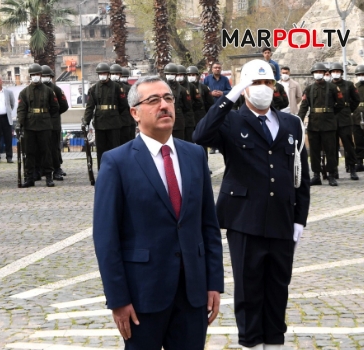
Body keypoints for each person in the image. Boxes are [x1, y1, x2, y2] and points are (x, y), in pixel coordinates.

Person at [93, 75, 224, 349]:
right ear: (134, 113)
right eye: (153, 100)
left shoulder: (195, 155)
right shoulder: (116, 162)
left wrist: (214, 282)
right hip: (143, 297)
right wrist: (118, 300)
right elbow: (106, 238)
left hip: (192, 294)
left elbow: (208, 226)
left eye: (168, 99)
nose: (164, 106)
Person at [193, 59, 311, 350]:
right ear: (245, 88)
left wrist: (299, 220)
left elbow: (301, 174)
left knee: (278, 287)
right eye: (256, 83)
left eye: (268, 83)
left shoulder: (291, 122)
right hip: (245, 219)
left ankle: (274, 343)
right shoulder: (232, 120)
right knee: (249, 289)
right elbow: (200, 135)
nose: (263, 89)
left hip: (282, 218)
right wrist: (230, 97)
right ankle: (251, 343)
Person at [298, 63, 345, 186]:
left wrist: (330, 112)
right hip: (314, 124)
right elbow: (303, 107)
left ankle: (331, 175)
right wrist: (298, 120)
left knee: (330, 150)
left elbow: (340, 103)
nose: (318, 74)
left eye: (320, 71)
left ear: (324, 73)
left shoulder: (333, 88)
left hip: (329, 124)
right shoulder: (309, 89)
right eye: (316, 72)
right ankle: (316, 175)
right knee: (314, 151)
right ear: (313, 74)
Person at [16, 63, 60, 187]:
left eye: (37, 74)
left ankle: (48, 177)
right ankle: (29, 177)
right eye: (33, 75)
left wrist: (47, 118)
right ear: (30, 76)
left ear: (41, 75)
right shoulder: (24, 92)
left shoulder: (49, 91)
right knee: (29, 152)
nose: (35, 77)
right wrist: (20, 123)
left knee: (46, 151)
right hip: (30, 125)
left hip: (44, 125)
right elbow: (21, 109)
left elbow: (55, 107)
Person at [82, 63, 127, 168]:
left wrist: (115, 114)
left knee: (115, 148)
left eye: (104, 73)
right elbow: (90, 107)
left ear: (108, 74)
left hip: (114, 123)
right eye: (100, 73)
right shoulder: (94, 89)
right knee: (101, 150)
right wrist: (86, 121)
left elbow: (123, 105)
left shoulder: (117, 87)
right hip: (100, 123)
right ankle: (102, 170)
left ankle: (116, 169)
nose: (102, 75)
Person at [329, 62, 360, 179]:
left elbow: (356, 100)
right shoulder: (328, 86)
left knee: (348, 144)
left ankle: (352, 168)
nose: (336, 74)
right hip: (332, 118)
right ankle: (334, 170)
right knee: (332, 146)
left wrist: (348, 109)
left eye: (338, 71)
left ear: (341, 73)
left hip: (345, 117)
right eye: (333, 72)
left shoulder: (349, 85)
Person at [42, 65, 70, 180]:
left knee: (54, 147)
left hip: (54, 123)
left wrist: (54, 114)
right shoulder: (37, 89)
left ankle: (57, 168)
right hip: (41, 123)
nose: (44, 78)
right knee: (43, 147)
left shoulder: (56, 89)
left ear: (51, 77)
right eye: (42, 76)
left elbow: (64, 106)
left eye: (46, 76)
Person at [163, 63, 191, 141]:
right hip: (164, 121)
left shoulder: (182, 90)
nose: (170, 75)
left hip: (178, 122)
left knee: (179, 143)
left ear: (176, 74)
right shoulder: (161, 88)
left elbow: (187, 106)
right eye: (168, 74)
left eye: (172, 74)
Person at [0, 76, 16, 164]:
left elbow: (12, 104)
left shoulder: (8, 92)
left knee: (8, 138)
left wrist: (8, 111)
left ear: (2, 81)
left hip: (6, 117)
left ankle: (9, 157)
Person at [111, 64, 135, 145]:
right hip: (115, 119)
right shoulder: (112, 87)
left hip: (127, 119)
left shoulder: (128, 88)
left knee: (127, 140)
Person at [177, 64, 197, 141]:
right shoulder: (173, 87)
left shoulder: (191, 86)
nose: (179, 76)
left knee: (189, 140)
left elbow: (198, 102)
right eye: (177, 75)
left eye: (181, 74)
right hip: (178, 120)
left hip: (188, 118)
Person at [120, 67, 137, 142]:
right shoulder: (117, 87)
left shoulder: (131, 88)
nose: (123, 78)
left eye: (125, 77)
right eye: (122, 76)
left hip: (129, 119)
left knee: (129, 139)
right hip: (121, 120)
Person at [353, 65, 364, 171]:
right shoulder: (354, 87)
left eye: (362, 74)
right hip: (357, 117)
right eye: (359, 75)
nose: (361, 76)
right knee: (358, 141)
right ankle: (359, 161)